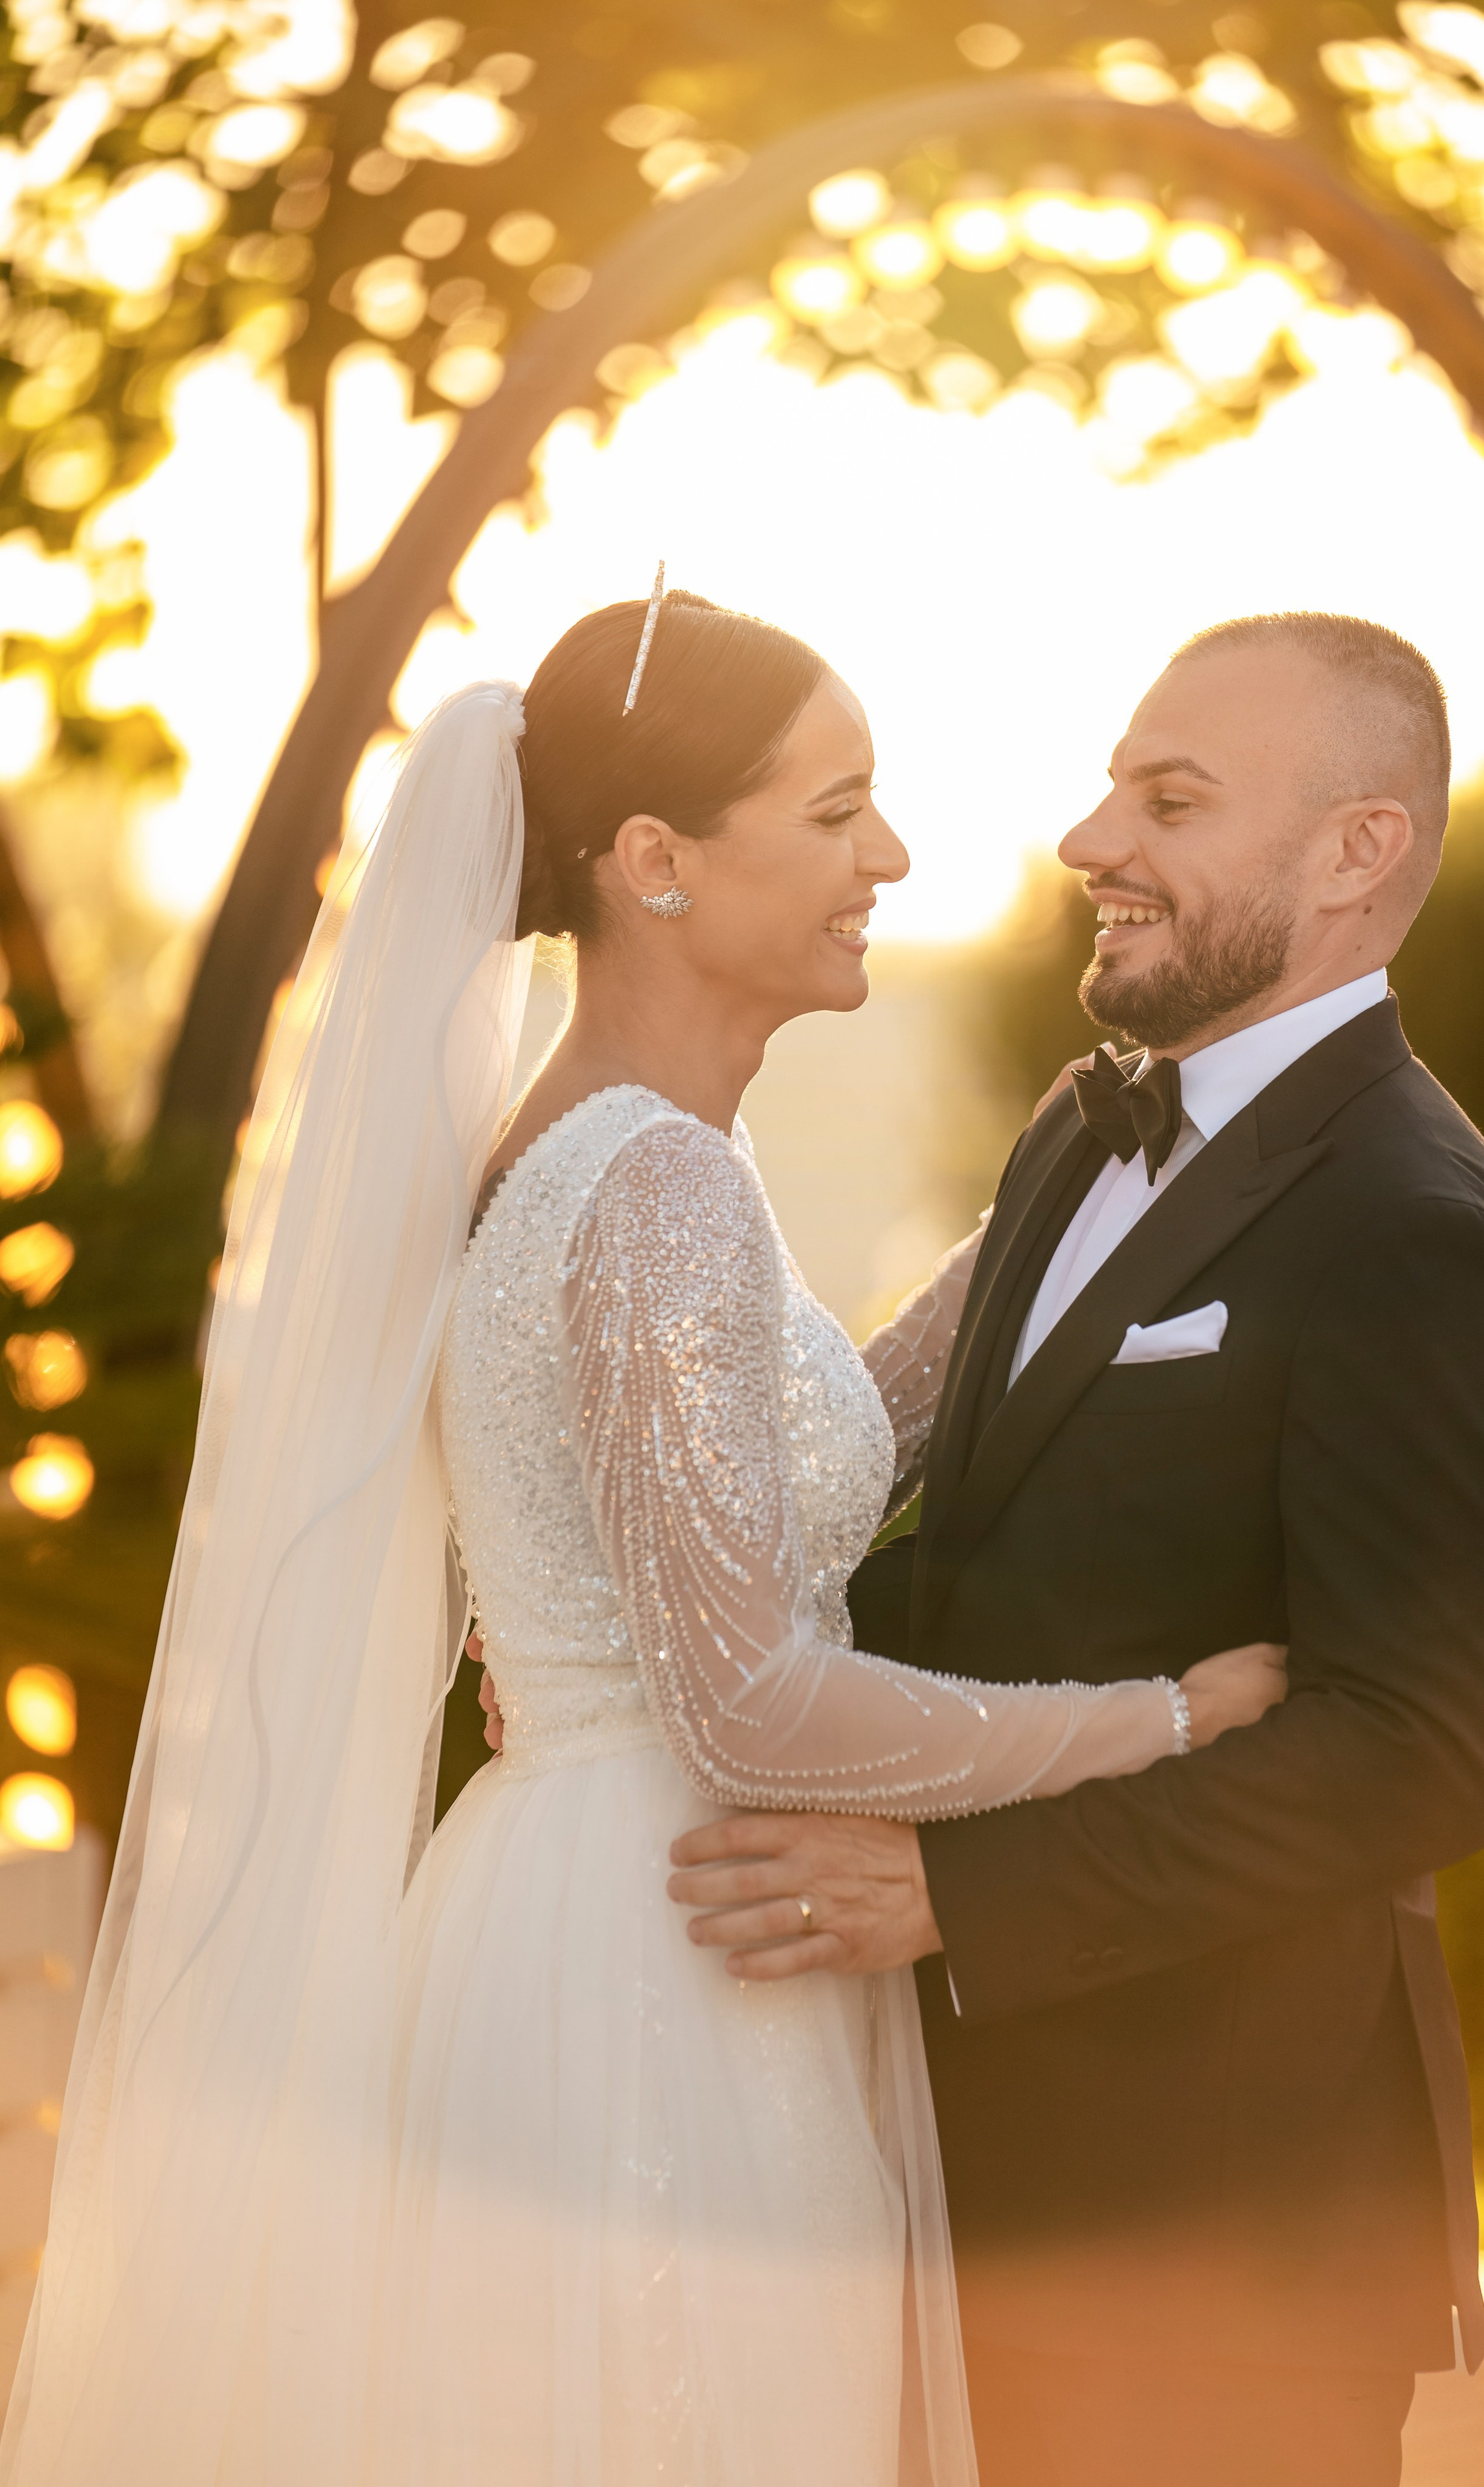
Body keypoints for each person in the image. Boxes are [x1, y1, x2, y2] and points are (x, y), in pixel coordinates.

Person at [1, 589, 1285, 2487]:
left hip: (587, 1906)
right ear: (656, 863)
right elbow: (755, 1705)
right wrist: (1154, 1722)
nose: (893, 857)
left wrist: (1062, 1182)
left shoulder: (607, 1146)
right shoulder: (660, 1183)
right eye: (839, 810)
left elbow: (805, 1453)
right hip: (667, 1977)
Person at [667, 613, 1484, 2487]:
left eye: (1170, 798)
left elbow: (1413, 1750)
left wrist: (957, 1896)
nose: (1093, 839)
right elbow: (964, 1557)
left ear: (1358, 854)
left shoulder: (1418, 1228)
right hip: (962, 2176)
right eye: (1110, 787)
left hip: (1220, 2241)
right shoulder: (1081, 1129)